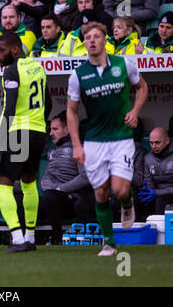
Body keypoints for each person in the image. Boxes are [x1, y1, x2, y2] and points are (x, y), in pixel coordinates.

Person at [66, 22, 148, 256]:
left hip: (121, 138)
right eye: (87, 38)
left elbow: (142, 88)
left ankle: (126, 202)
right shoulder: (78, 75)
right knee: (100, 192)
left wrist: (134, 112)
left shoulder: (124, 64)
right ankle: (109, 242)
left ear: (104, 40)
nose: (91, 40)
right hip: (94, 141)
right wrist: (76, 145)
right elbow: (71, 111)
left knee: (120, 190)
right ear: (84, 43)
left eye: (96, 37)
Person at [0, 32, 51, 253]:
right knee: (29, 183)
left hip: (19, 132)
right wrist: (40, 124)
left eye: (1, 50)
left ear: (15, 49)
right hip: (39, 131)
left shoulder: (11, 71)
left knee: (2, 183)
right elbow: (48, 102)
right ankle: (30, 237)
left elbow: (9, 109)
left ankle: (17, 238)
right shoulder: (38, 67)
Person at [39, 112, 94, 245]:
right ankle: (29, 242)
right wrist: (49, 187)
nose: (51, 133)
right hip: (52, 198)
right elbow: (45, 177)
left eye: (55, 129)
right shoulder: (53, 151)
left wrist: (60, 189)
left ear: (67, 129)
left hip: (71, 200)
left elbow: (85, 177)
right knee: (24, 202)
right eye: (51, 129)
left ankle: (57, 239)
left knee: (50, 197)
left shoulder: (80, 148)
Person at [139, 127, 173, 215]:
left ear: (167, 141)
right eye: (151, 143)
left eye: (157, 142)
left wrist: (157, 193)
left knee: (161, 199)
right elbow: (149, 184)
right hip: (158, 195)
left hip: (166, 194)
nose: (154, 146)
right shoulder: (148, 158)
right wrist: (146, 192)